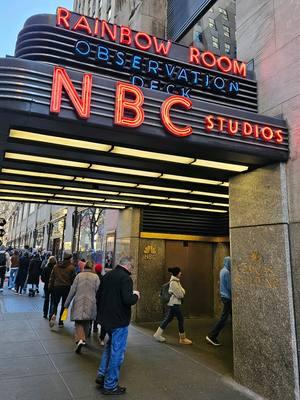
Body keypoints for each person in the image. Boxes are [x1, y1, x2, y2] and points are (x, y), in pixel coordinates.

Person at [95, 256, 140, 395]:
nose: (132, 269)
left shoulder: (108, 275)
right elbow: (128, 300)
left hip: (105, 319)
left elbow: (98, 296)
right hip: (118, 321)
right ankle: (110, 385)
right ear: (128, 265)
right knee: (117, 353)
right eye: (132, 267)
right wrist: (136, 296)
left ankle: (101, 374)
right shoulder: (126, 278)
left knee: (109, 347)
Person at [64, 261, 100, 354]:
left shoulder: (79, 276)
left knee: (78, 322)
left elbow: (72, 290)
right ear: (92, 267)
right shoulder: (96, 277)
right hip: (91, 302)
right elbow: (99, 291)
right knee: (87, 321)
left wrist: (66, 304)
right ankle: (84, 338)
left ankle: (80, 339)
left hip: (79, 301)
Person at [153, 267, 192, 345]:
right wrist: (182, 292)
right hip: (174, 304)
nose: (181, 273)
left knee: (167, 319)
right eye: (180, 272)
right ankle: (182, 338)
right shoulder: (174, 283)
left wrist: (182, 292)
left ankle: (157, 335)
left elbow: (182, 291)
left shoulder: (176, 281)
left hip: (173, 304)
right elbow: (180, 295)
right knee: (181, 319)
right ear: (177, 273)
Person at [206, 256, 232, 346]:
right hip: (228, 297)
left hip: (224, 296)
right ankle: (212, 335)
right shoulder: (227, 272)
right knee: (223, 319)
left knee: (228, 317)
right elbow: (230, 286)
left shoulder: (222, 270)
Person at [48, 251, 76, 328]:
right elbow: (73, 279)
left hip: (56, 287)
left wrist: (50, 287)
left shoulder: (56, 266)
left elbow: (52, 278)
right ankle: (61, 321)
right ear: (69, 258)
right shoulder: (71, 268)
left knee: (55, 303)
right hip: (66, 288)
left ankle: (53, 315)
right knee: (65, 305)